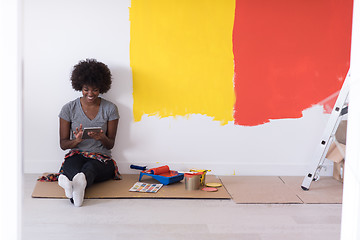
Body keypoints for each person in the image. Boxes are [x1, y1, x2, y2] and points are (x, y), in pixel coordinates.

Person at [57, 59, 121, 207]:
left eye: (95, 90)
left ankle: (72, 183)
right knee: (72, 165)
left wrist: (102, 137)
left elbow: (110, 144)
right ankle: (74, 185)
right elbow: (63, 144)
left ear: (101, 88)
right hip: (77, 154)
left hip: (101, 158)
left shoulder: (110, 109)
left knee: (90, 169)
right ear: (80, 86)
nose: (90, 94)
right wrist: (76, 141)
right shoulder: (68, 109)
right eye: (86, 89)